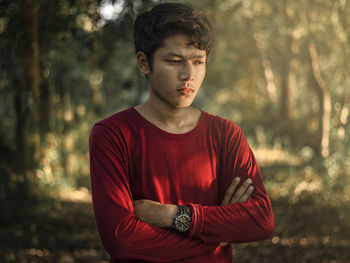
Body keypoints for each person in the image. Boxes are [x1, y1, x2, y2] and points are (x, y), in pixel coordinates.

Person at [89, 2, 274, 262]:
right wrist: (216, 235)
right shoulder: (112, 135)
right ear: (144, 63)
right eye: (174, 61)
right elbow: (122, 241)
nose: (189, 75)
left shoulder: (226, 135)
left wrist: (175, 216)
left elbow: (261, 220)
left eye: (198, 61)